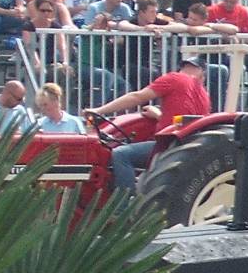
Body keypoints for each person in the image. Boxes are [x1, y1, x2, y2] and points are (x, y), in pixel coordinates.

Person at [87, 55, 212, 193]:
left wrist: (99, 110)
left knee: (121, 154)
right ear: (202, 74)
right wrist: (159, 115)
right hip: (190, 144)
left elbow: (137, 97)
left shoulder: (174, 78)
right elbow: (186, 121)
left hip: (170, 146)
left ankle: (124, 206)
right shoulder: (203, 94)